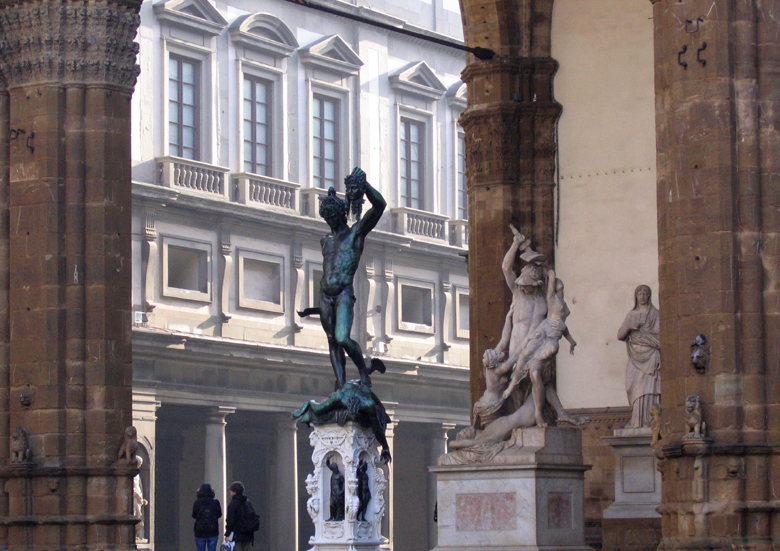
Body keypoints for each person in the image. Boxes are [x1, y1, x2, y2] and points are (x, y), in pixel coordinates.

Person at [299, 167, 387, 390]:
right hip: (325, 296)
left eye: (332, 217)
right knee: (331, 341)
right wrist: (314, 308)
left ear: (340, 214)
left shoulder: (356, 233)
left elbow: (380, 206)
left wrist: (364, 186)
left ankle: (362, 372)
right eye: (326, 217)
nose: (329, 221)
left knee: (342, 338)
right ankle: (340, 384)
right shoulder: (325, 241)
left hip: (344, 294)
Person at [617, 284, 661, 428]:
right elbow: (620, 335)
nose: (642, 296)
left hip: (652, 354)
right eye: (639, 294)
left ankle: (651, 421)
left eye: (645, 294)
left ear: (649, 296)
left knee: (651, 387)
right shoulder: (631, 315)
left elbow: (661, 336)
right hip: (635, 356)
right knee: (635, 386)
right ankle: (637, 420)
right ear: (635, 296)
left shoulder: (655, 314)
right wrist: (630, 327)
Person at [225, 481, 257, 550]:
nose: (230, 492)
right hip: (248, 533)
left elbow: (230, 520)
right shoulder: (247, 502)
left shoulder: (233, 504)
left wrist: (227, 534)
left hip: (237, 533)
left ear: (234, 492)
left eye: (231, 490)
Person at [192, 483, 222, 551]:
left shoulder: (197, 502)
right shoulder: (215, 502)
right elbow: (219, 514)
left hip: (200, 532)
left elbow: (194, 515)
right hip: (213, 531)